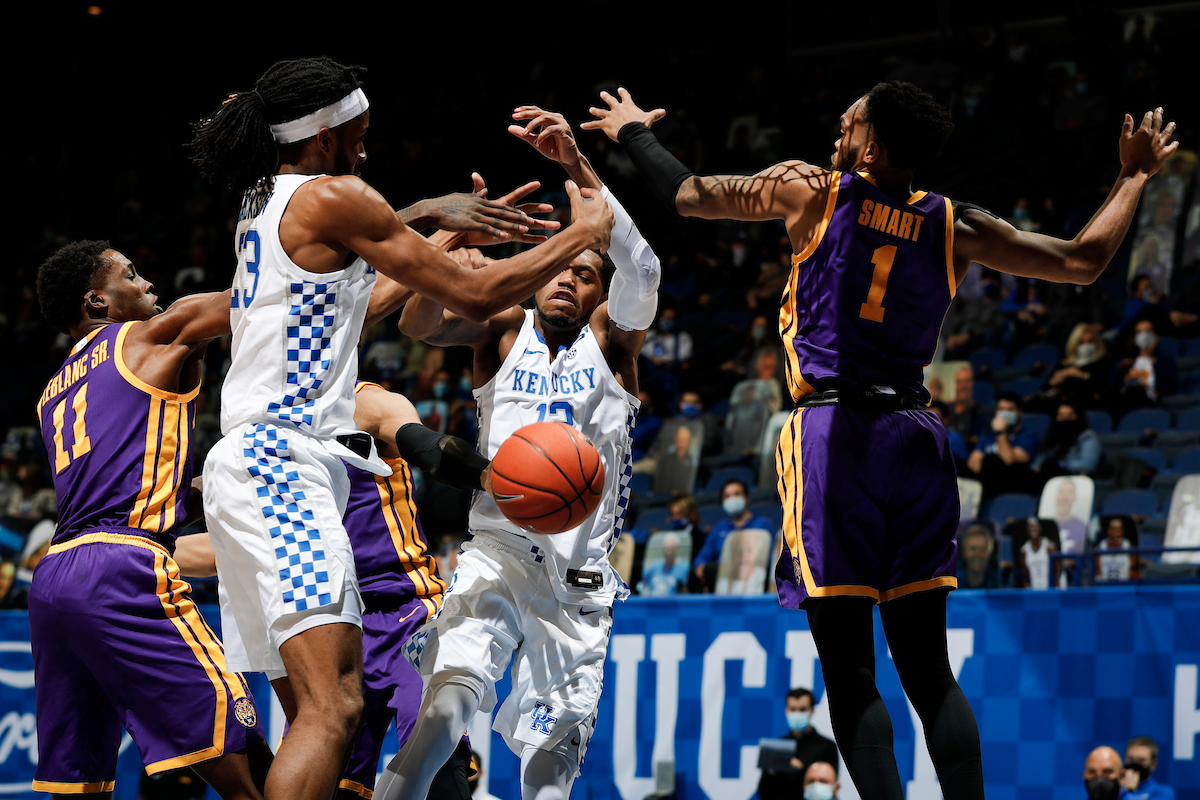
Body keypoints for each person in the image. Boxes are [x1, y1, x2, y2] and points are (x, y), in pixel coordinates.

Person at [584, 82, 1176, 800]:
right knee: (929, 670)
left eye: (853, 117)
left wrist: (634, 134)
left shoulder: (813, 190)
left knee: (849, 668)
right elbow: (1083, 261)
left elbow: (688, 196)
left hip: (834, 433)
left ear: (874, 144)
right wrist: (1135, 176)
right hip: (917, 439)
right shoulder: (955, 223)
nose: (840, 121)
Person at [189, 59, 613, 800]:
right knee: (335, 708)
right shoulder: (335, 196)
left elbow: (363, 304)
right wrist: (581, 231)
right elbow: (477, 292)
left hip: (249, 464)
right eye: (358, 135)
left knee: (313, 717)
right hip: (281, 461)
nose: (365, 148)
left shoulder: (266, 199)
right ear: (325, 135)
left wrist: (430, 222)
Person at [377, 104, 659, 800]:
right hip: (497, 551)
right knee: (443, 715)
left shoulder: (614, 346)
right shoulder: (504, 329)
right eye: (562, 266)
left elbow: (643, 267)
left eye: (588, 271)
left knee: (549, 772)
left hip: (578, 580)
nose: (571, 278)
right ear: (537, 272)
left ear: (600, 291)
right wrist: (448, 237)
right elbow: (417, 318)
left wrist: (576, 166)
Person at [29, 241, 271, 799]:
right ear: (97, 301)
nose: (148, 283)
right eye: (131, 275)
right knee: (246, 769)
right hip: (120, 569)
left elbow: (119, 483)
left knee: (77, 788)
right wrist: (410, 232)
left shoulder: (50, 393)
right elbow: (282, 289)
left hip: (55, 578)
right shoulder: (149, 335)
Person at [756, 688, 839, 800]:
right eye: (793, 709)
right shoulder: (777, 747)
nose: (797, 714)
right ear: (786, 710)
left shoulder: (827, 746)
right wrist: (771, 772)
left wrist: (801, 770)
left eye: (802, 709)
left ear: (812, 710)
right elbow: (763, 792)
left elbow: (830, 787)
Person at [692, 479, 774, 592]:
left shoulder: (762, 525)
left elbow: (768, 558)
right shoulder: (720, 528)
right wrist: (701, 567)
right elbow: (702, 557)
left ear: (747, 498)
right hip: (721, 581)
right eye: (727, 496)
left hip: (752, 583)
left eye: (737, 494)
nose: (732, 499)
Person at [966, 391, 1041, 498]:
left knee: (991, 459)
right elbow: (972, 463)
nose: (1004, 414)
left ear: (1020, 413)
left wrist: (1001, 432)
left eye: (1010, 410)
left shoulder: (1028, 436)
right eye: (1001, 410)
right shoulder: (988, 436)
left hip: (1011, 484)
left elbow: (1009, 461)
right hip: (985, 482)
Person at [714, 529, 769, 595]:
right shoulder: (723, 582)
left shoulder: (761, 576)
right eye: (739, 551)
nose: (743, 556)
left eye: (749, 550)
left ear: (756, 553)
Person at [1122, 735, 1175, 800]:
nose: (1135, 764)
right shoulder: (1117, 790)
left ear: (1153, 764)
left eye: (1141, 760)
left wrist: (1130, 792)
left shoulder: (1163, 792)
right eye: (1130, 759)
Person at [637, 532, 690, 596]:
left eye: (671, 549)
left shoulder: (685, 568)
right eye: (667, 549)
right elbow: (641, 585)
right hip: (653, 602)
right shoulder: (652, 568)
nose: (669, 552)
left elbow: (685, 591)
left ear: (676, 549)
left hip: (672, 603)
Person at [956, 524, 1001, 589]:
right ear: (964, 552)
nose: (978, 554)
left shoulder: (998, 584)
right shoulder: (952, 584)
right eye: (973, 549)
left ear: (989, 553)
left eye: (983, 549)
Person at [1019, 517, 1058, 589]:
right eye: (1030, 527)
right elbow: (1026, 575)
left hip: (1049, 587)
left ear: (1040, 528)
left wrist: (1055, 587)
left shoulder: (1049, 546)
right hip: (1034, 589)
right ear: (1027, 531)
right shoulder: (1024, 550)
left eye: (1035, 526)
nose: (1033, 529)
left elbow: (1057, 569)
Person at [1095, 517, 1136, 583]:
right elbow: (1097, 572)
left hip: (1124, 587)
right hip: (1104, 587)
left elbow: (1133, 571)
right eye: (1113, 530)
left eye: (1118, 530)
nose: (1116, 533)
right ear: (1108, 531)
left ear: (1122, 532)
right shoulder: (1101, 546)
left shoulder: (1128, 546)